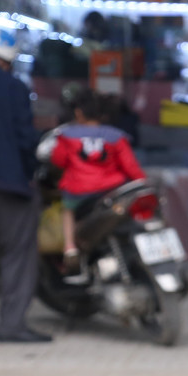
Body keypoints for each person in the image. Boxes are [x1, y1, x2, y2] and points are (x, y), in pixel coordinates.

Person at [0, 26, 49, 343]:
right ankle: (10, 326)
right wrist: (30, 174)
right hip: (6, 180)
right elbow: (26, 140)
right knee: (18, 252)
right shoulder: (13, 87)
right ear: (8, 59)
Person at [49, 88, 146, 275]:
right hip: (110, 190)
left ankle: (70, 248)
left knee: (67, 210)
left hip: (79, 191)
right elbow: (131, 167)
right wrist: (142, 183)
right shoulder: (115, 136)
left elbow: (58, 161)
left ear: (78, 112)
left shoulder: (67, 135)